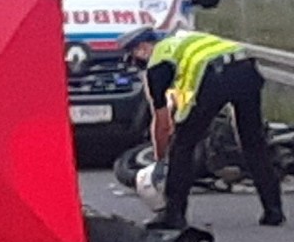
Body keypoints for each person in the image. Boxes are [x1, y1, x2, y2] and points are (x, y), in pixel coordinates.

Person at [118, 27, 285, 229]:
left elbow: (161, 123)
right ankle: (273, 210)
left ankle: (174, 215)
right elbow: (183, 96)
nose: (138, 63)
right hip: (246, 68)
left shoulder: (157, 64)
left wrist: (161, 159)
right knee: (252, 141)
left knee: (182, 146)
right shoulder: (183, 40)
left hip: (213, 78)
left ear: (142, 48)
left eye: (134, 55)